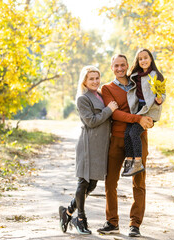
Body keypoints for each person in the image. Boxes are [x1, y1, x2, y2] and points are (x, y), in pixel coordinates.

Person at [97, 54, 162, 237]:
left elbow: (153, 100)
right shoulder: (107, 88)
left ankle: (135, 224)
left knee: (139, 183)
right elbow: (115, 114)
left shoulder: (138, 82)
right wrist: (138, 118)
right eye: (116, 65)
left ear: (128, 66)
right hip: (117, 138)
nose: (119, 68)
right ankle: (112, 222)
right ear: (111, 67)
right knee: (111, 182)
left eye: (123, 65)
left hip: (139, 137)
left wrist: (151, 114)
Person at [58, 65, 118, 235]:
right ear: (84, 80)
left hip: (101, 145)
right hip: (88, 144)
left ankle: (68, 212)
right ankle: (81, 219)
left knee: (92, 183)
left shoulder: (99, 95)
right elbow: (91, 121)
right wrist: (109, 109)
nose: (95, 81)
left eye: (97, 78)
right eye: (91, 78)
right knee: (83, 182)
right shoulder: (82, 98)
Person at [121, 48, 166, 177]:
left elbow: (163, 93)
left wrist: (159, 99)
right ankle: (129, 160)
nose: (143, 61)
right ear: (138, 61)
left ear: (151, 59)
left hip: (150, 109)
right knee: (127, 133)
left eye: (145, 58)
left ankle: (138, 162)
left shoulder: (156, 75)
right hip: (138, 109)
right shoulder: (135, 75)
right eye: (140, 59)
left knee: (134, 133)